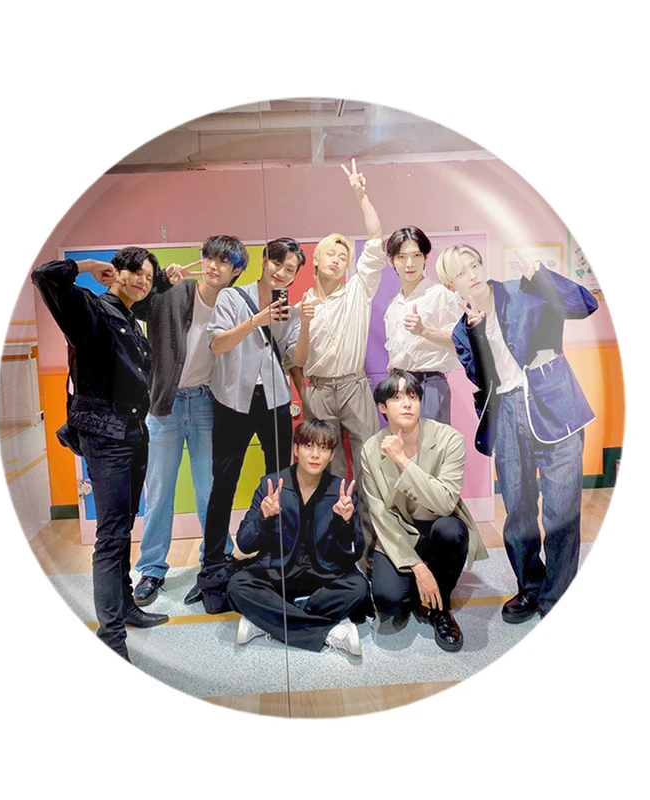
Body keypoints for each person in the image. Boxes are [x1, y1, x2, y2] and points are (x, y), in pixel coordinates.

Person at [437, 245, 598, 620]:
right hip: (508, 416)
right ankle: (531, 587)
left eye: (474, 264)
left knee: (561, 513)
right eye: (461, 272)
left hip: (555, 407)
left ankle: (557, 597)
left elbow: (584, 304)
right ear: (450, 284)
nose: (472, 274)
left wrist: (540, 274)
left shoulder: (524, 290)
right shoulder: (462, 331)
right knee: (518, 513)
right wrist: (477, 334)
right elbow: (482, 379)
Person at [31, 248, 169, 662]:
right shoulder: (89, 310)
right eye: (136, 273)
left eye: (148, 277)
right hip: (106, 436)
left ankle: (126, 608)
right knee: (110, 536)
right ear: (117, 272)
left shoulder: (131, 318)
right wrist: (89, 267)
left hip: (132, 433)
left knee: (123, 526)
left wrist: (166, 280)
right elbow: (45, 276)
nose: (143, 282)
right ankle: (112, 638)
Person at [129, 236, 248, 607]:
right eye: (209, 257)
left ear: (236, 270)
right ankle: (151, 569)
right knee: (159, 490)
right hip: (163, 405)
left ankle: (217, 560)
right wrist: (160, 282)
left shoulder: (235, 304)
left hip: (206, 404)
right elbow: (136, 307)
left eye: (223, 261)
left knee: (210, 491)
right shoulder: (175, 291)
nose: (213, 265)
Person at [195, 238, 306, 612]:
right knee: (223, 483)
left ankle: (274, 558)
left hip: (274, 402)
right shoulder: (231, 297)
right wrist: (256, 320)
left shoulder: (289, 309)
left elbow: (294, 358)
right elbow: (217, 345)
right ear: (264, 260)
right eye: (277, 263)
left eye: (290, 270)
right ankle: (212, 564)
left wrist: (303, 321)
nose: (281, 273)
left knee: (278, 482)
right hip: (232, 401)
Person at [360, 370, 488, 652]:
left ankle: (441, 608)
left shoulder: (449, 439)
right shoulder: (370, 449)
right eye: (396, 398)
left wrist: (403, 461)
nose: (407, 403)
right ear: (382, 407)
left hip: (438, 524)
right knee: (389, 602)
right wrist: (417, 567)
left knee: (452, 530)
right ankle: (422, 581)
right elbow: (381, 515)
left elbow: (445, 502)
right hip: (399, 532)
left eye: (412, 396)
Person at [227, 419, 370, 656]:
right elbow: (244, 543)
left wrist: (345, 523)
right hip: (278, 574)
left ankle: (267, 620)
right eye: (308, 446)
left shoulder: (341, 491)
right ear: (296, 449)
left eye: (323, 448)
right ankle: (330, 631)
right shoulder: (272, 485)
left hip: (324, 576)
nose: (315, 455)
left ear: (332, 455)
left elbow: (355, 552)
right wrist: (263, 518)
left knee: (359, 588)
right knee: (237, 586)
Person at [292, 157, 388, 486]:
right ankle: (332, 521)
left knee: (369, 460)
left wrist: (361, 195)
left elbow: (376, 240)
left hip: (354, 385)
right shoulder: (301, 307)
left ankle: (368, 522)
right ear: (316, 260)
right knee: (325, 468)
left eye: (343, 257)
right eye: (331, 254)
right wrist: (304, 323)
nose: (337, 260)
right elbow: (297, 361)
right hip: (318, 389)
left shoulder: (358, 291)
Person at [383, 226, 462, 424]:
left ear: (425, 257)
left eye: (416, 255)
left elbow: (461, 340)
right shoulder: (393, 305)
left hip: (429, 383)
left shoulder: (440, 294)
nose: (410, 264)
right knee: (403, 442)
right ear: (391, 261)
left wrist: (424, 331)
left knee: (432, 440)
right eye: (402, 257)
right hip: (398, 384)